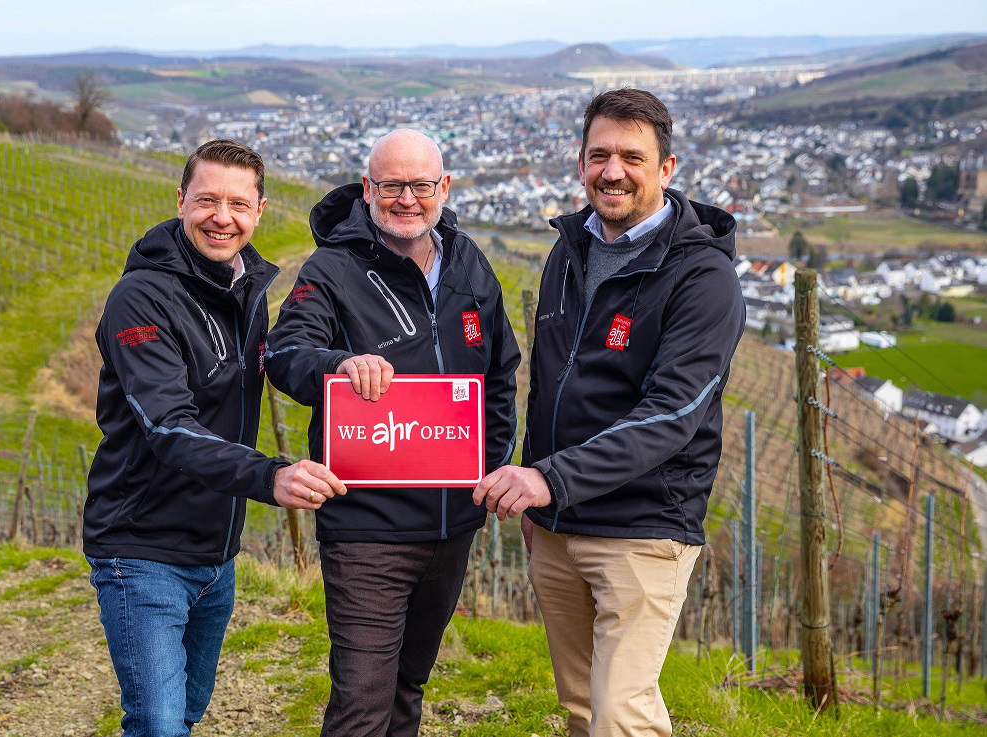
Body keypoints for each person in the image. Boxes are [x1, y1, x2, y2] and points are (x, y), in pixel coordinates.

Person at [473, 89, 745, 737]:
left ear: (666, 168)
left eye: (631, 156)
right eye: (599, 155)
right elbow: (550, 386)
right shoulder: (570, 249)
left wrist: (546, 480)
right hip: (558, 526)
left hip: (642, 529)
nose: (612, 170)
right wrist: (544, 500)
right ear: (580, 161)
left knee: (621, 715)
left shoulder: (701, 277)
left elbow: (672, 411)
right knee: (581, 710)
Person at [83, 139, 346, 737]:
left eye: (237, 203)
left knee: (186, 715)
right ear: (180, 202)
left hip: (215, 553)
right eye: (206, 200)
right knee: (158, 724)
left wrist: (343, 369)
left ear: (259, 211)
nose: (221, 217)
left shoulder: (246, 288)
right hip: (141, 549)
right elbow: (169, 428)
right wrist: (271, 474)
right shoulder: (141, 299)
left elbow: (283, 362)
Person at [265, 129, 521, 737]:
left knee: (408, 686)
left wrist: (489, 466)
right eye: (392, 186)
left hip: (452, 525)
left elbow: (500, 373)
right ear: (368, 188)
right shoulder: (332, 267)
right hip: (367, 527)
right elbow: (284, 351)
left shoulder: (469, 263)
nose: (407, 199)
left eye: (421, 185)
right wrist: (338, 365)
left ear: (445, 187)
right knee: (361, 701)